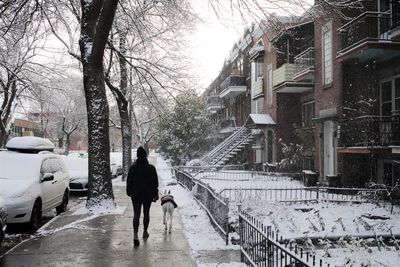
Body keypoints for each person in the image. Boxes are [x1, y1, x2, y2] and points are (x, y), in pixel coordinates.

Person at [126, 147, 159, 246]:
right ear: (145, 156)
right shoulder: (151, 168)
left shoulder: (133, 168)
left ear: (137, 156)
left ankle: (135, 235)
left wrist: (129, 192)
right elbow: (155, 183)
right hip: (147, 195)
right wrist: (155, 194)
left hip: (136, 195)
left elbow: (129, 182)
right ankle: (145, 231)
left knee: (136, 214)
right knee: (146, 213)